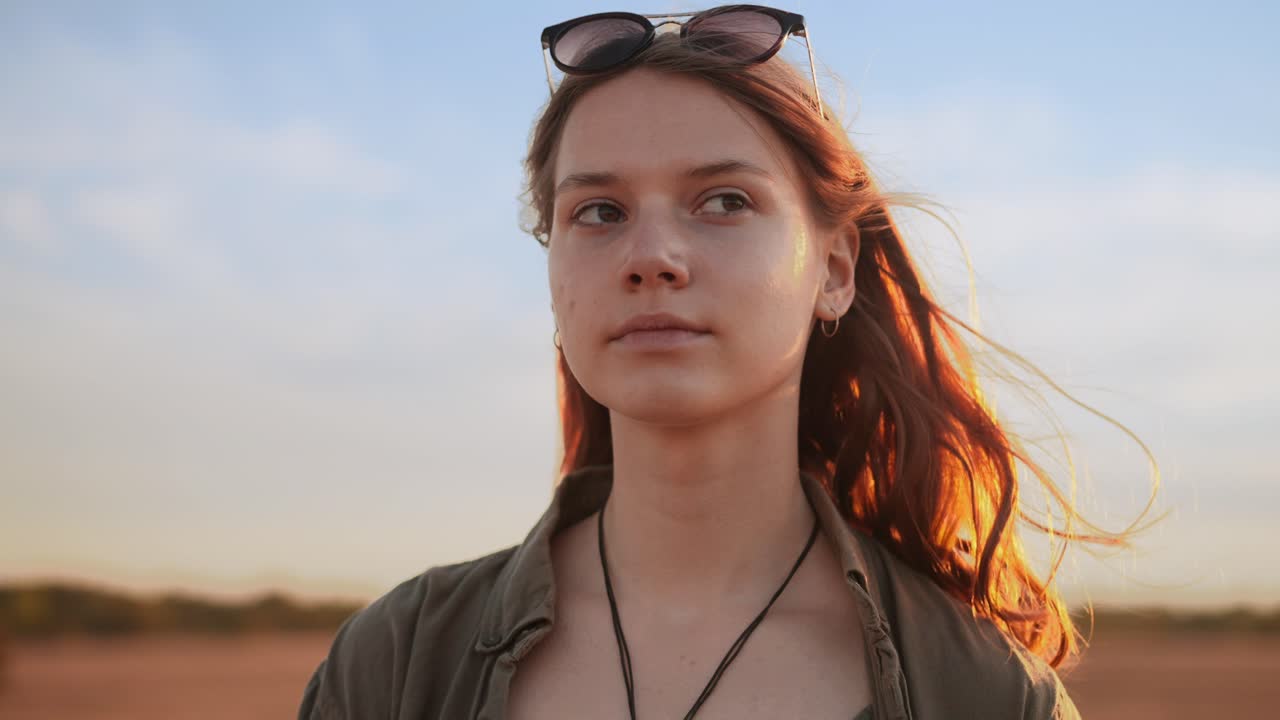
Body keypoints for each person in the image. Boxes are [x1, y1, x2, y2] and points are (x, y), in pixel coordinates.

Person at [300, 5, 1152, 718]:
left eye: (725, 201)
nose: (652, 257)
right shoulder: (396, 663)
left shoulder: (988, 695)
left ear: (834, 269)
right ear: (554, 268)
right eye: (599, 211)